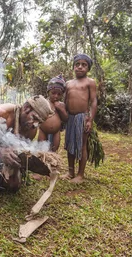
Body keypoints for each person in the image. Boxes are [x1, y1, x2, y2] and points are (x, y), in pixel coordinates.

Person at [63, 54, 97, 183]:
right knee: (70, 144)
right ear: (73, 67)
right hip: (70, 118)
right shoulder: (68, 83)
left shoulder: (90, 82)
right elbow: (65, 101)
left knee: (82, 145)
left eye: (84, 65)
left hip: (82, 118)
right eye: (77, 64)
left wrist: (90, 119)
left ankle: (80, 175)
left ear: (88, 68)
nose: (80, 67)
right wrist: (63, 117)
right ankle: (70, 172)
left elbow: (93, 101)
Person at [38, 75, 68, 152]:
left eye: (59, 94)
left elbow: (65, 119)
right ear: (48, 92)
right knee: (41, 150)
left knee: (54, 150)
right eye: (53, 93)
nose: (56, 96)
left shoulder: (61, 105)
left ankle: (52, 162)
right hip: (42, 130)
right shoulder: (44, 103)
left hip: (56, 132)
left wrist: (61, 110)